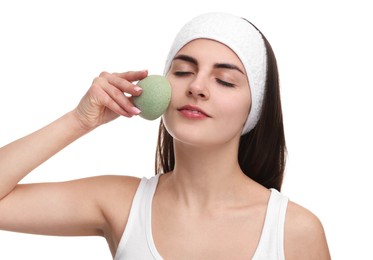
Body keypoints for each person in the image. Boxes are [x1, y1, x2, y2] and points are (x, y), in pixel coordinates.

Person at [0, 12, 330, 259]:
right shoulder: (121, 203)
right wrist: (79, 120)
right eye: (183, 71)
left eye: (225, 80)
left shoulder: (294, 230)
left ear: (255, 108)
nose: (196, 87)